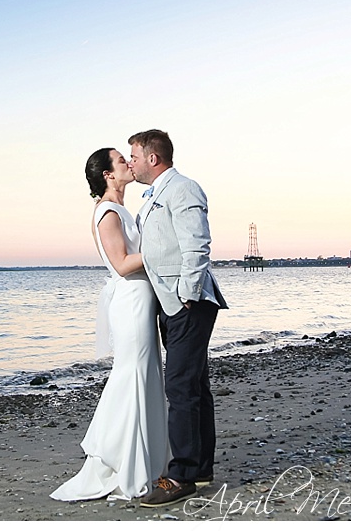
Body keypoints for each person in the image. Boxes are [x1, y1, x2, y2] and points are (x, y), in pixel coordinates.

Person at [50, 148, 169, 502]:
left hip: (140, 299)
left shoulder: (120, 209)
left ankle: (143, 461)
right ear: (107, 174)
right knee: (132, 375)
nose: (128, 164)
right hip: (131, 301)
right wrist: (165, 251)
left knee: (144, 376)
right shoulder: (107, 212)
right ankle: (123, 462)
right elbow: (120, 263)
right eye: (121, 161)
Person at [127, 129, 228, 508]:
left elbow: (197, 243)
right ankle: (200, 469)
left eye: (134, 156)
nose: (131, 162)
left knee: (182, 388)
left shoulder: (183, 188)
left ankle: (181, 474)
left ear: (153, 158)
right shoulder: (156, 194)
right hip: (172, 303)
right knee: (195, 386)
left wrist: (186, 294)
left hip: (188, 302)